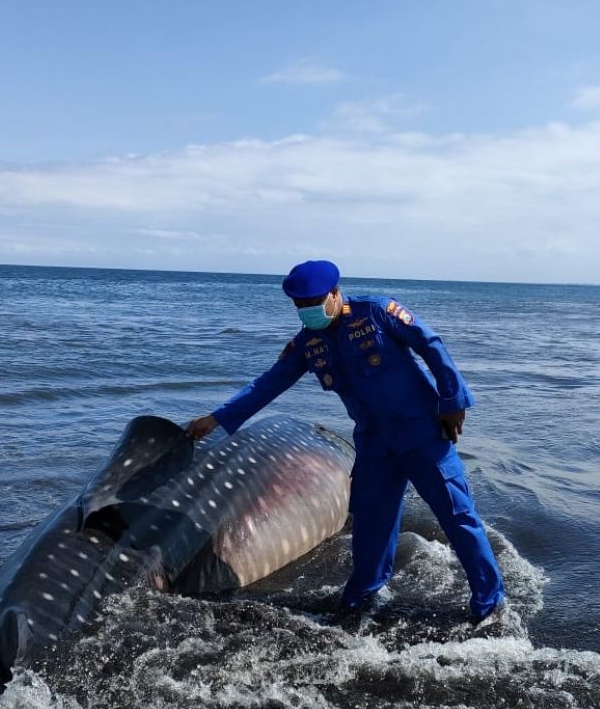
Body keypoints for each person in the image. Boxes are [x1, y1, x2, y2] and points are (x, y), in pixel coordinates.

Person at [185, 260, 506, 626]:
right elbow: (268, 384)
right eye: (300, 305)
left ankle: (489, 603)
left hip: (422, 433)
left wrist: (452, 401)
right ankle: (361, 598)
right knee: (370, 525)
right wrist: (217, 418)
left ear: (335, 293)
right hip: (374, 443)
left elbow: (430, 345)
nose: (308, 310)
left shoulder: (378, 312)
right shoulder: (309, 344)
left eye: (314, 302)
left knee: (457, 515)